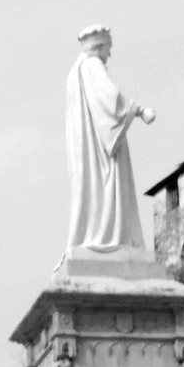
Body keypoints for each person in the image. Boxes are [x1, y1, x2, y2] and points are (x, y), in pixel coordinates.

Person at [64, 24, 155, 255]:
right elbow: (111, 100)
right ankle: (111, 237)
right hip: (103, 151)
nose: (110, 54)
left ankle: (97, 233)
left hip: (89, 149)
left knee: (93, 192)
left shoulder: (76, 71)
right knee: (106, 192)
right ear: (100, 46)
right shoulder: (92, 65)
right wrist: (138, 110)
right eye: (109, 48)